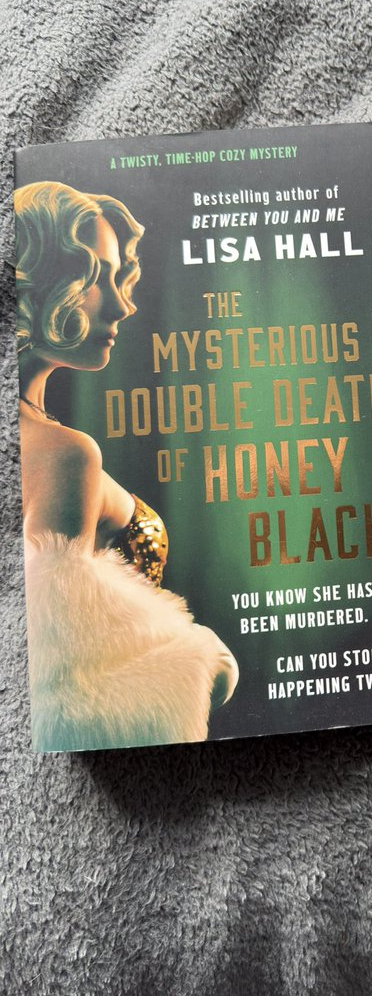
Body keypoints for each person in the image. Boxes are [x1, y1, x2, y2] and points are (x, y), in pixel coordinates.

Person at [16, 180, 238, 751]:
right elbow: (66, 699)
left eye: (120, 278)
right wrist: (203, 665)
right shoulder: (65, 454)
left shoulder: (38, 437)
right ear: (40, 284)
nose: (123, 304)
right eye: (97, 277)